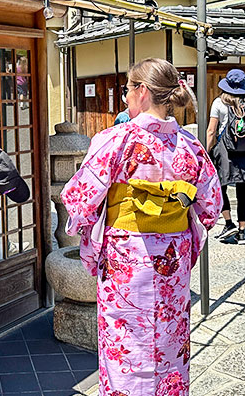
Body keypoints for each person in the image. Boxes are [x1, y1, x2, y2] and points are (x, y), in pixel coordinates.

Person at [61, 58, 222, 395]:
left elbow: (78, 201)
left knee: (125, 341)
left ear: (143, 91)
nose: (125, 97)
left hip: (126, 256)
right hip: (173, 259)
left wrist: (91, 238)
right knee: (169, 337)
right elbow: (211, 206)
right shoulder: (190, 145)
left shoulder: (115, 140)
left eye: (128, 89)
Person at [206, 69, 245, 244]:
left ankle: (228, 223)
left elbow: (211, 131)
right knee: (243, 192)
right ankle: (242, 232)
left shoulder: (219, 103)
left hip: (225, 151)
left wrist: (205, 152)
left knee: (221, 187)